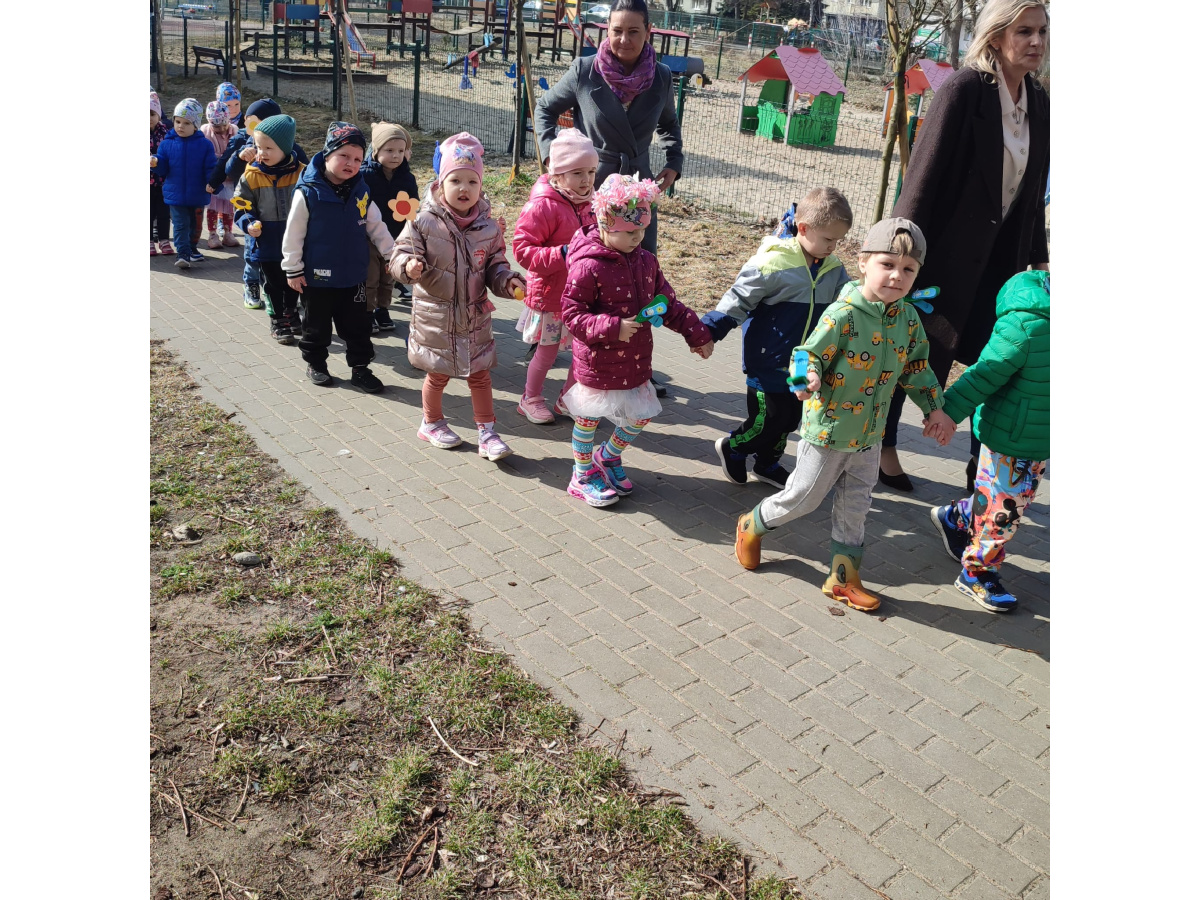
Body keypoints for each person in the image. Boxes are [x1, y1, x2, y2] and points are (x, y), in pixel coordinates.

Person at [733, 218, 956, 612]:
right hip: (829, 432)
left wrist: (935, 409)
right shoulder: (844, 315)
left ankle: (842, 578)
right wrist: (805, 378)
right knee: (803, 499)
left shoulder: (907, 320)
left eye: (908, 269)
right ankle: (753, 523)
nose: (897, 276)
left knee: (857, 505)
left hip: (870, 436)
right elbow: (806, 353)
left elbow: (917, 368)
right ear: (863, 263)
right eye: (887, 264)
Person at [879, 0, 1049, 494]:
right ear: (996, 35)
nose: (1037, 42)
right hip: (943, 261)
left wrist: (1039, 259)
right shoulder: (964, 89)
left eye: (1043, 31)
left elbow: (1032, 193)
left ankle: (983, 473)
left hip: (1003, 265)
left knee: (997, 366)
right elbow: (923, 177)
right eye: (1025, 31)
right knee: (913, 357)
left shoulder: (1039, 101)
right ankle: (882, 446)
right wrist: (901, 252)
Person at [534, 0, 682, 397]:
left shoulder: (661, 77)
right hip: (592, 190)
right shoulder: (586, 70)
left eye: (633, 31)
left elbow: (669, 125)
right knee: (592, 274)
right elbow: (545, 109)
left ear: (648, 32)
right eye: (617, 30)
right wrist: (554, 159)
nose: (624, 39)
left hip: (638, 193)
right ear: (607, 31)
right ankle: (587, 357)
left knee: (639, 277)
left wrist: (674, 161)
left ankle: (637, 365)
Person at [559, 174, 713, 507]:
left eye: (641, 230)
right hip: (598, 362)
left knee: (640, 415)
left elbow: (666, 304)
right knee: (587, 420)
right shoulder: (588, 265)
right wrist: (612, 327)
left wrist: (696, 332)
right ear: (605, 223)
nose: (637, 238)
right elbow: (572, 314)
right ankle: (581, 475)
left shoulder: (646, 261)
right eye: (629, 231)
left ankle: (608, 456)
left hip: (635, 360)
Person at [702, 187, 853, 489]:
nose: (833, 246)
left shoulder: (834, 270)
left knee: (790, 417)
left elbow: (849, 302)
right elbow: (738, 299)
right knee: (767, 419)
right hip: (768, 360)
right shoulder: (773, 263)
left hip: (804, 361)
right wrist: (709, 331)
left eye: (838, 240)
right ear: (804, 228)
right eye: (828, 239)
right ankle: (734, 448)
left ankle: (767, 462)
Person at [389, 133, 525, 461]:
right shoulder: (422, 221)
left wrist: (508, 281)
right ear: (440, 183)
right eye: (456, 180)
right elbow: (399, 255)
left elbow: (495, 266)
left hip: (474, 317)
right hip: (436, 317)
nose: (464, 188)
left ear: (481, 186)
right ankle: (431, 422)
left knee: (480, 375)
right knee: (437, 374)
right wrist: (408, 266)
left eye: (472, 181)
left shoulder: (488, 228)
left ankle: (487, 432)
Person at [928, 270, 1048, 613]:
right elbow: (984, 374)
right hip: (1010, 436)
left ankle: (958, 516)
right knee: (1005, 511)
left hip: (1040, 437)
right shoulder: (1025, 324)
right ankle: (977, 573)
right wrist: (946, 413)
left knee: (1008, 499)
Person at [281, 122, 394, 393]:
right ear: (327, 154)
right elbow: (294, 233)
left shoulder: (361, 191)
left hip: (354, 276)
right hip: (316, 278)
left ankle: (360, 369)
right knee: (316, 326)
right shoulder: (308, 192)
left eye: (357, 159)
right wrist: (293, 269)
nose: (351, 163)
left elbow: (377, 227)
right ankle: (316, 364)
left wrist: (392, 256)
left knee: (358, 327)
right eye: (344, 155)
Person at [511, 128, 599, 425]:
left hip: (583, 296)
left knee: (583, 352)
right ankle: (530, 398)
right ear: (558, 174)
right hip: (551, 296)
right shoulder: (543, 205)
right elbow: (523, 250)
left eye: (591, 171)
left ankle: (568, 399)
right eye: (577, 172)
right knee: (547, 353)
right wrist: (562, 253)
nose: (586, 180)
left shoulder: (593, 203)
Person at [209, 98, 309, 310]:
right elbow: (228, 168)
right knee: (253, 256)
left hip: (286, 221)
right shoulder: (242, 143)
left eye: (257, 123)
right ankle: (252, 285)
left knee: (285, 260)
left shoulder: (293, 155)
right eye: (248, 121)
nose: (261, 151)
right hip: (255, 214)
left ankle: (284, 295)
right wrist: (239, 158)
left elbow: (307, 173)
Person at [232, 115, 304, 344]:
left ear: (285, 148)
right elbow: (241, 206)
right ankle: (277, 319)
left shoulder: (302, 173)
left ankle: (291, 312)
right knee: (273, 284)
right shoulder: (251, 175)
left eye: (268, 148)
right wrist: (248, 223)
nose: (261, 152)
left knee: (293, 282)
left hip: (295, 242)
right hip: (266, 241)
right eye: (258, 146)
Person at [361, 122, 419, 334]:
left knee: (388, 277)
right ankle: (367, 313)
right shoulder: (364, 175)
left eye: (401, 151)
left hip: (395, 237)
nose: (396, 156)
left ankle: (382, 309)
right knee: (370, 278)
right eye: (389, 150)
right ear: (376, 151)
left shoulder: (407, 177)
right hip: (369, 238)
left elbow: (414, 204)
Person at [151, 99, 217, 271]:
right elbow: (163, 168)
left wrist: (213, 182)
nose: (180, 126)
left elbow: (210, 167)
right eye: (178, 121)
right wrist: (156, 163)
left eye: (187, 123)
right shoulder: (167, 143)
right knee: (180, 224)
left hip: (197, 193)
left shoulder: (205, 145)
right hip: (175, 194)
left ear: (195, 126)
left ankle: (192, 248)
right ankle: (183, 254)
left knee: (195, 225)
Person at [200, 100, 238, 250]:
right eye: (216, 126)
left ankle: (228, 232)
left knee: (229, 205)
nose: (221, 129)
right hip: (214, 174)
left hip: (230, 174)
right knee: (213, 206)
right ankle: (212, 233)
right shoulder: (205, 133)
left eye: (224, 124)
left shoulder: (234, 131)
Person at [150, 89, 172, 257]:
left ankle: (164, 239)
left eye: (152, 114)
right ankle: (149, 241)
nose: (148, 118)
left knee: (164, 212)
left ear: (159, 115)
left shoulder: (166, 133)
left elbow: (170, 153)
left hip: (163, 181)